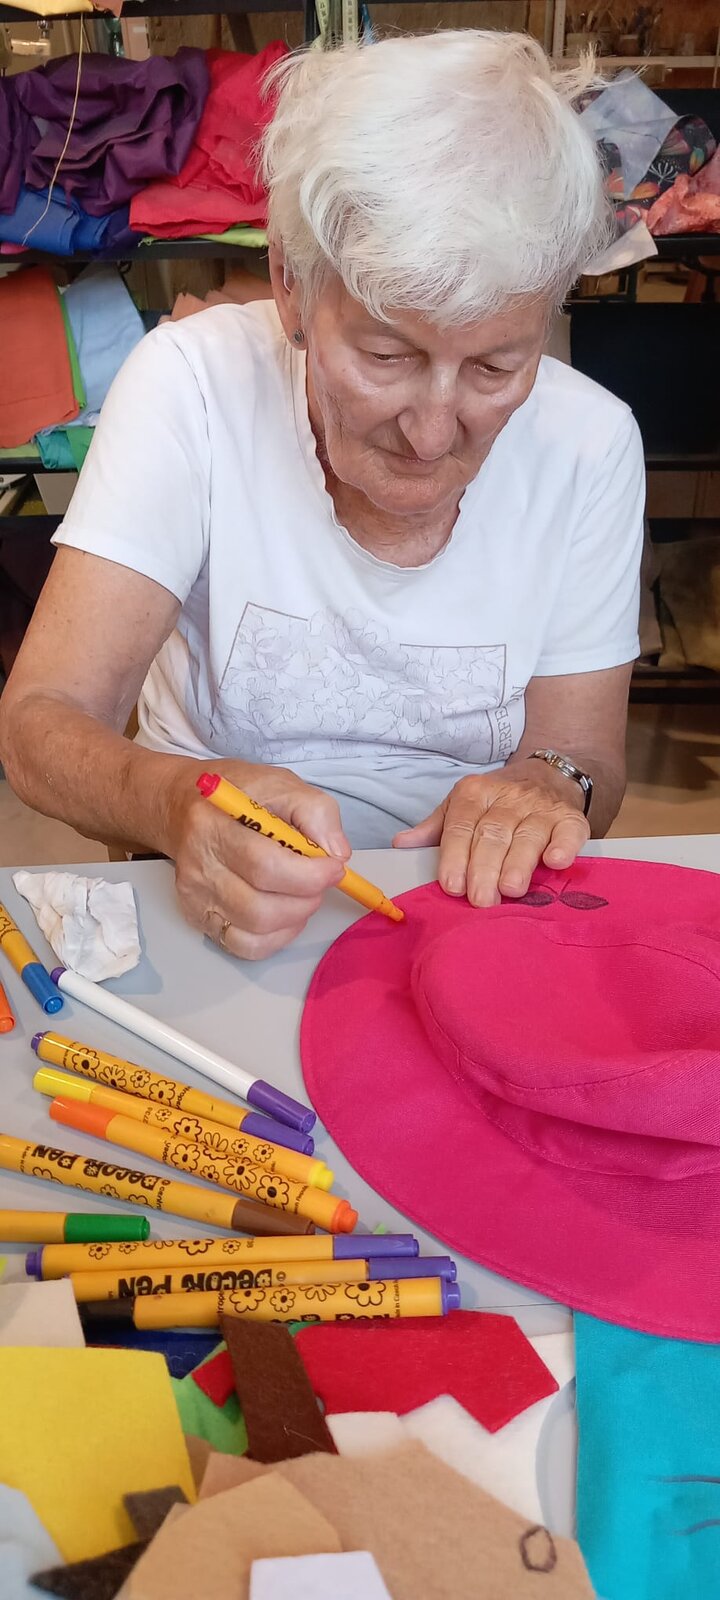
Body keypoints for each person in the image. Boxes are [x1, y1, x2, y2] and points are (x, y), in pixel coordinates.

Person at [0, 32, 645, 961]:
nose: (433, 433)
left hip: (462, 916)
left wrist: (547, 787)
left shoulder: (589, 442)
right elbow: (39, 722)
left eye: (497, 367)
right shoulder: (193, 387)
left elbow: (587, 759)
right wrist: (174, 804)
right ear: (292, 287)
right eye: (387, 356)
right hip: (216, 897)